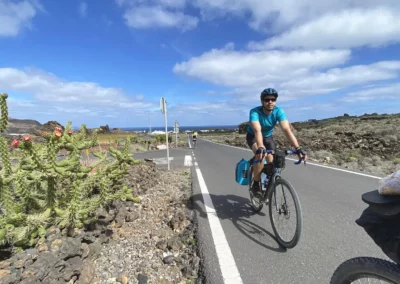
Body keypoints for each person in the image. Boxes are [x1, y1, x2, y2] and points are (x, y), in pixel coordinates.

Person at [246, 88, 307, 197]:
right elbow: (257, 130)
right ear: (262, 101)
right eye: (267, 99)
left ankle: (266, 178)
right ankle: (256, 184)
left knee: (272, 161)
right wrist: (260, 147)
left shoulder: (279, 111)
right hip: (254, 137)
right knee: (260, 155)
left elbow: (286, 130)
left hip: (268, 137)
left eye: (273, 99)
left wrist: (298, 148)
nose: (270, 102)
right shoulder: (255, 112)